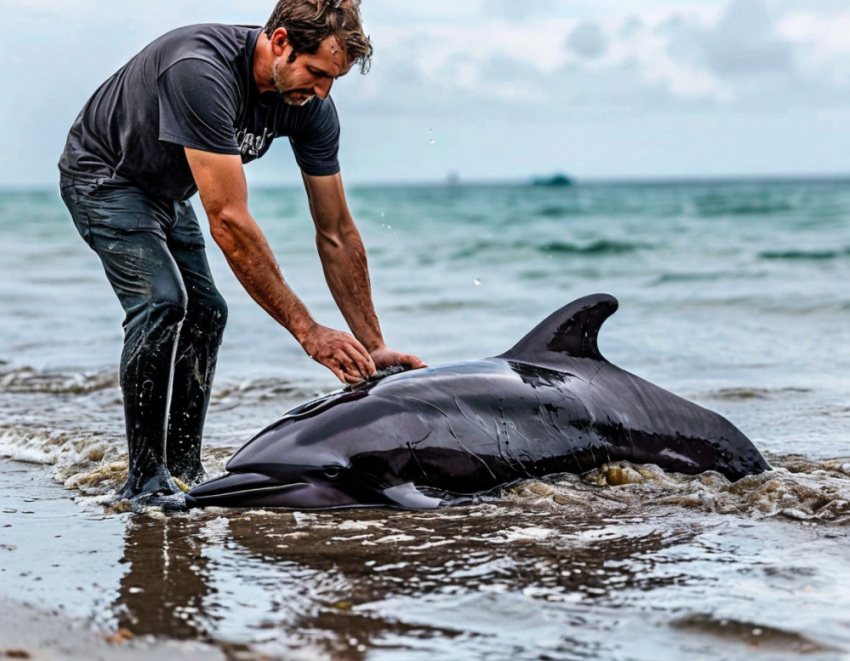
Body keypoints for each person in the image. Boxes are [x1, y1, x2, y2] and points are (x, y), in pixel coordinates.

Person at [58, 0, 426, 508]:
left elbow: (337, 230)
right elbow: (230, 221)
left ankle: (185, 470)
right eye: (316, 71)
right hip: (104, 177)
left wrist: (373, 344)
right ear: (279, 42)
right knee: (163, 303)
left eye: (332, 80)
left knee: (208, 311)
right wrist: (309, 331)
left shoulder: (311, 107)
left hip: (168, 191)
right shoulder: (199, 70)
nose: (320, 91)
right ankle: (143, 482)